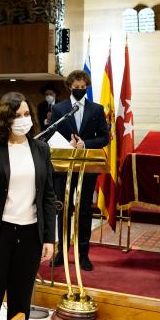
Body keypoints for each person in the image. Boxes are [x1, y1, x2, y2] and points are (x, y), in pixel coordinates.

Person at [0, 92, 56, 320]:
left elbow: (48, 196)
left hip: (30, 235)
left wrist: (49, 238)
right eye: (17, 115)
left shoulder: (41, 149)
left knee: (20, 301)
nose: (23, 119)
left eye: (27, 114)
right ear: (6, 118)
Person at [48, 70, 109, 271]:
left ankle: (83, 254)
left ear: (87, 87)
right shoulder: (59, 109)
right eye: (76, 87)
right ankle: (62, 251)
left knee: (84, 211)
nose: (80, 90)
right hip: (64, 168)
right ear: (69, 86)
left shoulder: (97, 109)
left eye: (83, 87)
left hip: (87, 168)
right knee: (63, 209)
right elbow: (51, 135)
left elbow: (104, 137)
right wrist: (68, 144)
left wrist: (86, 143)